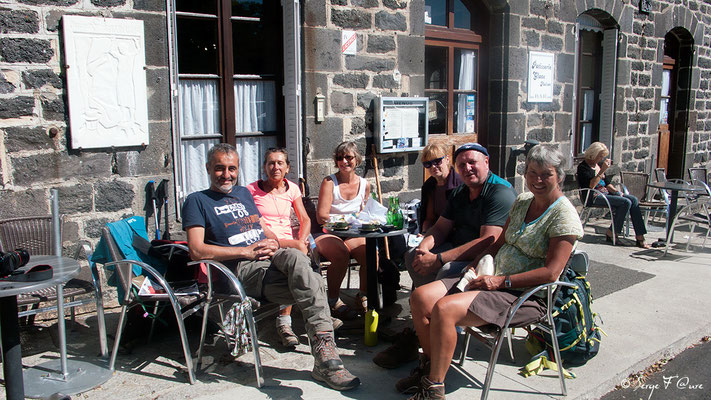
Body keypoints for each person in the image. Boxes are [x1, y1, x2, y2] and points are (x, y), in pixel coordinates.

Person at [398, 145, 584, 399]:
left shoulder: (564, 216)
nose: (537, 180)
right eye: (531, 173)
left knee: (443, 309)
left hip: (523, 294)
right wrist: (475, 265)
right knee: (420, 298)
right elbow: (497, 243)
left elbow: (551, 273)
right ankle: (430, 366)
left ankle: (434, 387)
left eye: (546, 174)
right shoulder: (523, 202)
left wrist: (500, 281)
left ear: (560, 176)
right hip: (490, 276)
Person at [182, 143, 360, 391]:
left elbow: (260, 228)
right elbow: (197, 250)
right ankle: (328, 361)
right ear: (207, 168)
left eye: (232, 168)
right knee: (313, 285)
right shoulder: (197, 201)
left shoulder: (243, 193)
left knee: (299, 259)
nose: (226, 174)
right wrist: (244, 251)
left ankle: (325, 357)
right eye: (220, 168)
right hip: (238, 270)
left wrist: (273, 241)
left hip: (267, 256)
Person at [373, 143, 517, 370]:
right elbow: (439, 228)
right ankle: (426, 323)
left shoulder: (499, 192)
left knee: (445, 270)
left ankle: (436, 327)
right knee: (412, 257)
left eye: (473, 162)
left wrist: (439, 259)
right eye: (463, 165)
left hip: (486, 260)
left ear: (486, 162)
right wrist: (424, 248)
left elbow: (488, 242)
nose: (468, 168)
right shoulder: (461, 192)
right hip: (458, 247)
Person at [247, 147, 317, 348]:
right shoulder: (251, 191)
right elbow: (259, 225)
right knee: (295, 265)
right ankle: (286, 324)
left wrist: (302, 240)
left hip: (291, 243)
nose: (275, 167)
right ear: (264, 167)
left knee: (301, 262)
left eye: (280, 163)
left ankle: (311, 315)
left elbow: (304, 218)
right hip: (267, 242)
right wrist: (293, 244)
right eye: (270, 163)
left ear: (287, 167)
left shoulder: (292, 188)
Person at [314, 141, 371, 320]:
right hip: (329, 233)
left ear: (357, 159)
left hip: (353, 233)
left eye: (348, 157)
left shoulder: (365, 185)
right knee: (340, 255)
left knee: (371, 255)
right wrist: (345, 221)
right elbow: (321, 216)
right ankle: (333, 300)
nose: (344, 161)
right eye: (340, 158)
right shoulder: (330, 182)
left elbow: (366, 213)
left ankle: (363, 295)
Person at [576, 142, 650, 248]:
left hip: (606, 193)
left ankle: (640, 236)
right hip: (594, 196)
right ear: (593, 154)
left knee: (633, 199)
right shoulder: (583, 167)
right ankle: (612, 233)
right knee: (625, 203)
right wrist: (602, 171)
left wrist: (616, 192)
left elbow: (607, 183)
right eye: (600, 156)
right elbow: (591, 185)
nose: (601, 159)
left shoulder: (598, 165)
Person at [418, 142, 462, 234]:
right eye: (428, 164)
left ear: (447, 159)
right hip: (435, 233)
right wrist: (424, 233)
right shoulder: (429, 186)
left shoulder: (460, 185)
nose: (433, 166)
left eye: (437, 161)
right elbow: (429, 218)